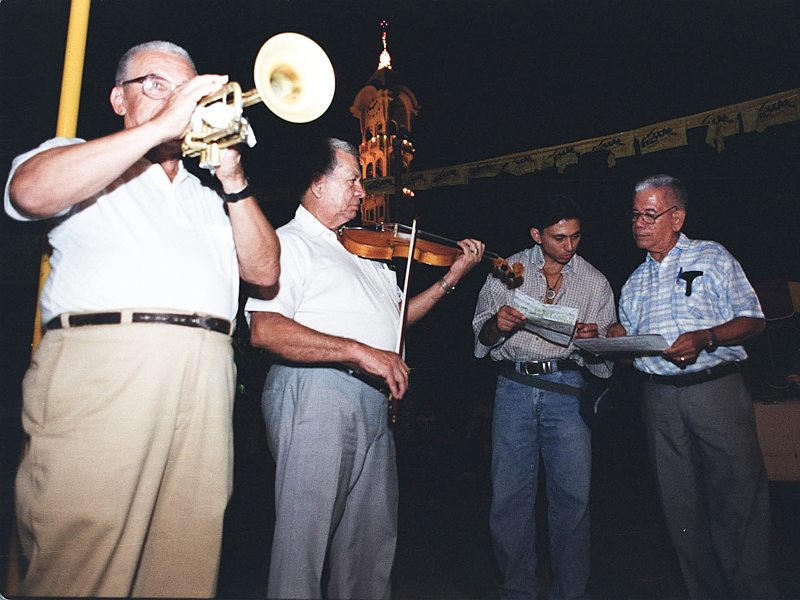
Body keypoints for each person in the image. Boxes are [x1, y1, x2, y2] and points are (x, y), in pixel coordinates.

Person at [4, 40, 280, 597]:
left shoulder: (210, 196)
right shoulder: (79, 155)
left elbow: (265, 271)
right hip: (107, 371)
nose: (176, 99)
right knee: (79, 556)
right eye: (156, 85)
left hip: (206, 377)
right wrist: (157, 129)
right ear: (118, 99)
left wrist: (233, 179)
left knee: (183, 561)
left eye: (186, 90)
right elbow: (27, 193)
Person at [246, 137, 485, 599]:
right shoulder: (287, 243)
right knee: (304, 543)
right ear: (318, 184)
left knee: (369, 547)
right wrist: (358, 351)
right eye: (352, 180)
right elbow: (265, 329)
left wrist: (450, 279)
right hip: (316, 393)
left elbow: (395, 321)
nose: (362, 191)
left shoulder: (362, 250)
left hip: (373, 400)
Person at [610, 174, 776, 599]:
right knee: (680, 509)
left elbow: (753, 319)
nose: (639, 224)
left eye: (650, 215)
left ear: (677, 217)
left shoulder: (712, 256)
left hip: (714, 392)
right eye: (635, 215)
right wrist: (614, 339)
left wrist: (707, 337)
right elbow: (634, 352)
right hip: (658, 400)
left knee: (738, 503)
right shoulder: (634, 282)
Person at [472, 194, 615, 600]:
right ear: (537, 235)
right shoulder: (505, 271)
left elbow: (605, 361)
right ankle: (518, 588)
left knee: (572, 499)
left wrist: (594, 341)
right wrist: (498, 325)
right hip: (514, 388)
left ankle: (570, 591)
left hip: (566, 390)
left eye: (576, 236)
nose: (570, 246)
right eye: (559, 238)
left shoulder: (595, 282)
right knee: (510, 497)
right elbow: (482, 339)